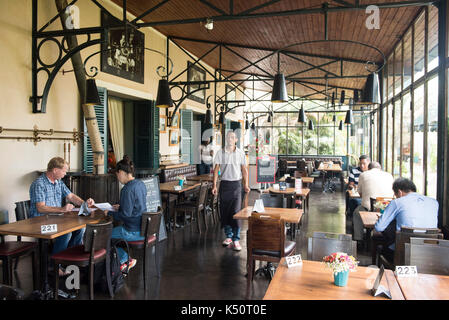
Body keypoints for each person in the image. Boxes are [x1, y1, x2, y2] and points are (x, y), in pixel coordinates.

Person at [29, 157, 95, 274]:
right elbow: (40, 207)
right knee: (66, 233)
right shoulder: (39, 184)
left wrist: (85, 203)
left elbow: (71, 196)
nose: (65, 173)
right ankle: (55, 265)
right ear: (55, 170)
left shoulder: (58, 182)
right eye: (64, 171)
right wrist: (62, 209)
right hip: (39, 223)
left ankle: (69, 259)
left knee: (81, 228)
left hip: (55, 219)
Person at [374, 178, 439, 262]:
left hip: (403, 253)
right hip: (429, 252)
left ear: (400, 192)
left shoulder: (397, 202)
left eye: (395, 195)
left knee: (385, 243)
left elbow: (379, 227)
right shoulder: (434, 202)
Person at [107, 155, 147, 272]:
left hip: (132, 231)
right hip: (143, 229)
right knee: (112, 234)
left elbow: (125, 215)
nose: (118, 178)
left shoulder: (126, 189)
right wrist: (121, 206)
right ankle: (122, 260)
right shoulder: (140, 184)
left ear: (121, 172)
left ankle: (125, 259)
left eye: (117, 174)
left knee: (103, 237)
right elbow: (136, 206)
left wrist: (108, 212)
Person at [212, 131, 250, 252]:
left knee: (235, 212)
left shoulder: (240, 153)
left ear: (236, 140)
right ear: (226, 139)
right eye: (228, 137)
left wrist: (246, 185)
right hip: (224, 185)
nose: (230, 139)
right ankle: (228, 236)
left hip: (236, 185)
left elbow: (244, 170)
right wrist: (214, 185)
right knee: (225, 211)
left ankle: (236, 239)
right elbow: (216, 169)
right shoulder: (220, 153)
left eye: (232, 137)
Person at [352, 161, 394, 243]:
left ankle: (359, 239)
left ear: (369, 168)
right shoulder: (389, 175)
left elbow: (360, 193)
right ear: (380, 168)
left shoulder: (363, 174)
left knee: (356, 213)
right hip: (386, 207)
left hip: (369, 208)